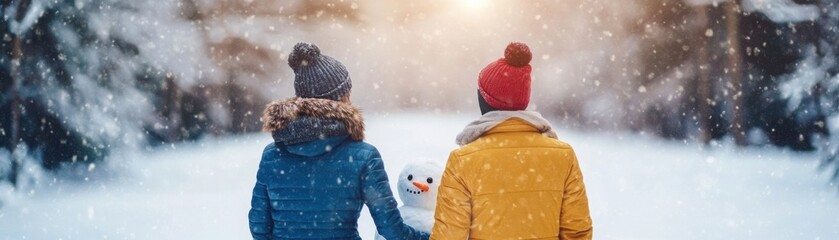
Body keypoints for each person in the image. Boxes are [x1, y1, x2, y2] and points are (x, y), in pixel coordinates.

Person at [249, 42, 429, 240]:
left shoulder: (272, 155)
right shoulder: (364, 156)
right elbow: (392, 230)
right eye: (347, 95)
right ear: (340, 99)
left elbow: (259, 226)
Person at [430, 42, 593, 239]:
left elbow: (449, 236)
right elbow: (577, 233)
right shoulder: (563, 155)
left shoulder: (462, 160)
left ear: (485, 100)